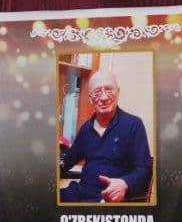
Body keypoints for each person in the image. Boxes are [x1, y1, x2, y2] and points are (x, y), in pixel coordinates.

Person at [59, 70, 153, 203]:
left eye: (109, 90)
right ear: (90, 98)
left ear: (118, 92)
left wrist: (124, 183)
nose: (103, 97)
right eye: (97, 92)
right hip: (81, 192)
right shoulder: (86, 128)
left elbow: (145, 170)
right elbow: (68, 160)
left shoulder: (134, 125)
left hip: (109, 198)